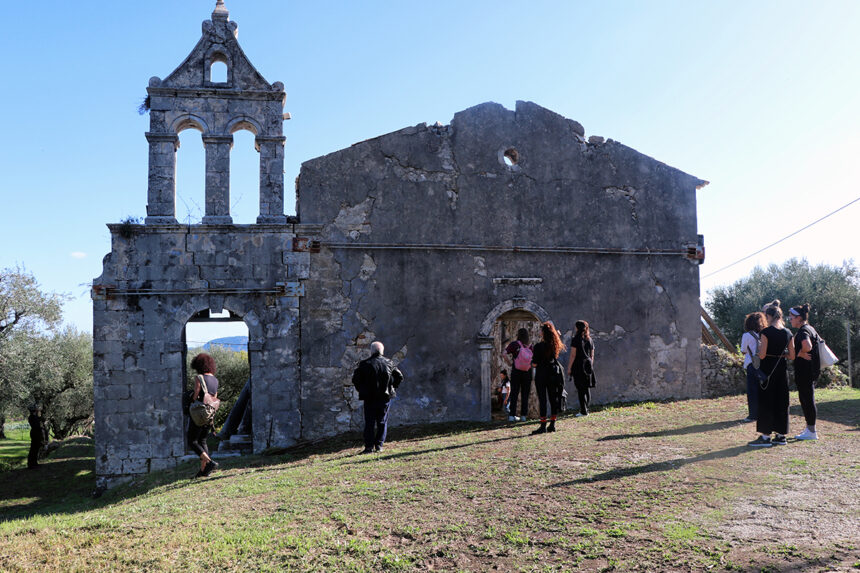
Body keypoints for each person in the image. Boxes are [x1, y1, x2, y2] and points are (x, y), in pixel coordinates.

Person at [749, 303, 794, 447]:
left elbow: (762, 355)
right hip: (781, 370)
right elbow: (792, 355)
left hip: (768, 370)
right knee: (782, 401)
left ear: (768, 316)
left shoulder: (766, 332)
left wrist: (761, 352)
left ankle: (766, 437)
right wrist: (781, 354)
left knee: (766, 401)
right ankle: (781, 436)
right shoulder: (788, 333)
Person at [352, 341, 404, 454]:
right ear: (382, 351)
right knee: (382, 421)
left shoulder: (364, 364)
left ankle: (369, 447)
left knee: (369, 422)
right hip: (384, 397)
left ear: (371, 351)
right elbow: (399, 376)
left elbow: (355, 379)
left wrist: (362, 390)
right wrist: (392, 388)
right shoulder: (389, 362)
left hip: (369, 398)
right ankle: (379, 446)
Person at [789, 304, 819, 441]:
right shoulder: (810, 328)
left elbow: (807, 346)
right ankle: (810, 429)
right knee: (808, 398)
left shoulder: (803, 331)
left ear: (799, 318)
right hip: (811, 370)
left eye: (792, 317)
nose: (790, 319)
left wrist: (800, 353)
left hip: (805, 371)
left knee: (807, 399)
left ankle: (811, 431)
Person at [530, 322, 566, 434]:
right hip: (554, 373)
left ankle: (542, 426)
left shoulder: (538, 347)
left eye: (541, 330)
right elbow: (555, 344)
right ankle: (552, 425)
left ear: (543, 333)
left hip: (542, 374)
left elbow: (534, 364)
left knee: (543, 400)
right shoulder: (555, 344)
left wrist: (532, 362)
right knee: (553, 399)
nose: (539, 332)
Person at [188, 352, 220, 477]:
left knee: (192, 441)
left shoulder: (199, 378)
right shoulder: (215, 380)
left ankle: (209, 462)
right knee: (203, 440)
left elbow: (196, 392)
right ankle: (203, 470)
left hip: (199, 413)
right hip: (210, 414)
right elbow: (214, 396)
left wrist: (192, 400)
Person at [740, 312, 766, 422]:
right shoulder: (763, 334)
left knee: (752, 391)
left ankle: (753, 415)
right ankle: (762, 412)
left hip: (751, 364)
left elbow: (743, 351)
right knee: (762, 389)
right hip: (763, 364)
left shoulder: (746, 335)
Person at [504, 328, 533, 422]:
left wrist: (509, 363)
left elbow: (504, 354)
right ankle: (523, 416)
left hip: (516, 371)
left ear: (518, 335)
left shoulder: (514, 344)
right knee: (525, 394)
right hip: (527, 372)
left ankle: (512, 415)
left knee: (514, 393)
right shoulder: (530, 346)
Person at [567, 320, 595, 417]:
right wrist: (591, 366)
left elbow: (573, 355)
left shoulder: (576, 339)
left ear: (577, 328)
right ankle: (586, 409)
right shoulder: (590, 339)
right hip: (588, 365)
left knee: (580, 389)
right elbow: (592, 355)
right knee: (587, 388)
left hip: (578, 365)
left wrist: (569, 368)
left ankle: (583, 411)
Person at [27, 404, 48, 469]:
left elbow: (40, 419)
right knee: (34, 449)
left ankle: (34, 463)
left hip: (35, 433)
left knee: (35, 449)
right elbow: (37, 425)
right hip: (35, 434)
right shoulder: (32, 417)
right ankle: (31, 464)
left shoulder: (34, 417)